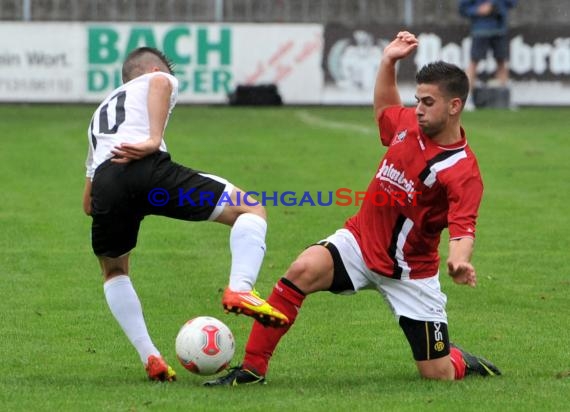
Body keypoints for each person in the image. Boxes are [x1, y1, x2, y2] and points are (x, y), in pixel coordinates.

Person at [205, 31, 501, 386]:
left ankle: (459, 359)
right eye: (418, 99)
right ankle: (252, 370)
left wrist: (459, 260)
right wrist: (388, 61)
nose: (418, 109)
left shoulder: (462, 170)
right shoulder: (411, 124)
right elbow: (385, 111)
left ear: (454, 106)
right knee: (301, 270)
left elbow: (463, 227)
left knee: (437, 374)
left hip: (411, 272)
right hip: (359, 243)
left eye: (428, 102)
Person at [82, 47, 288, 382]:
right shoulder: (157, 78)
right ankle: (240, 287)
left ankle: (150, 357)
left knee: (115, 271)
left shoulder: (98, 119)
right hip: (148, 170)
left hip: (107, 182)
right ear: (149, 69)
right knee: (249, 206)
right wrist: (152, 140)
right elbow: (161, 84)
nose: (169, 78)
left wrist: (123, 205)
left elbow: (88, 204)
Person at [459, 0, 518, 98]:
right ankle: (467, 98)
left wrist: (497, 5)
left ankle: (504, 99)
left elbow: (512, 3)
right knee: (474, 62)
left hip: (499, 29)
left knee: (502, 62)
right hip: (481, 29)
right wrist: (478, 10)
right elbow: (462, 9)